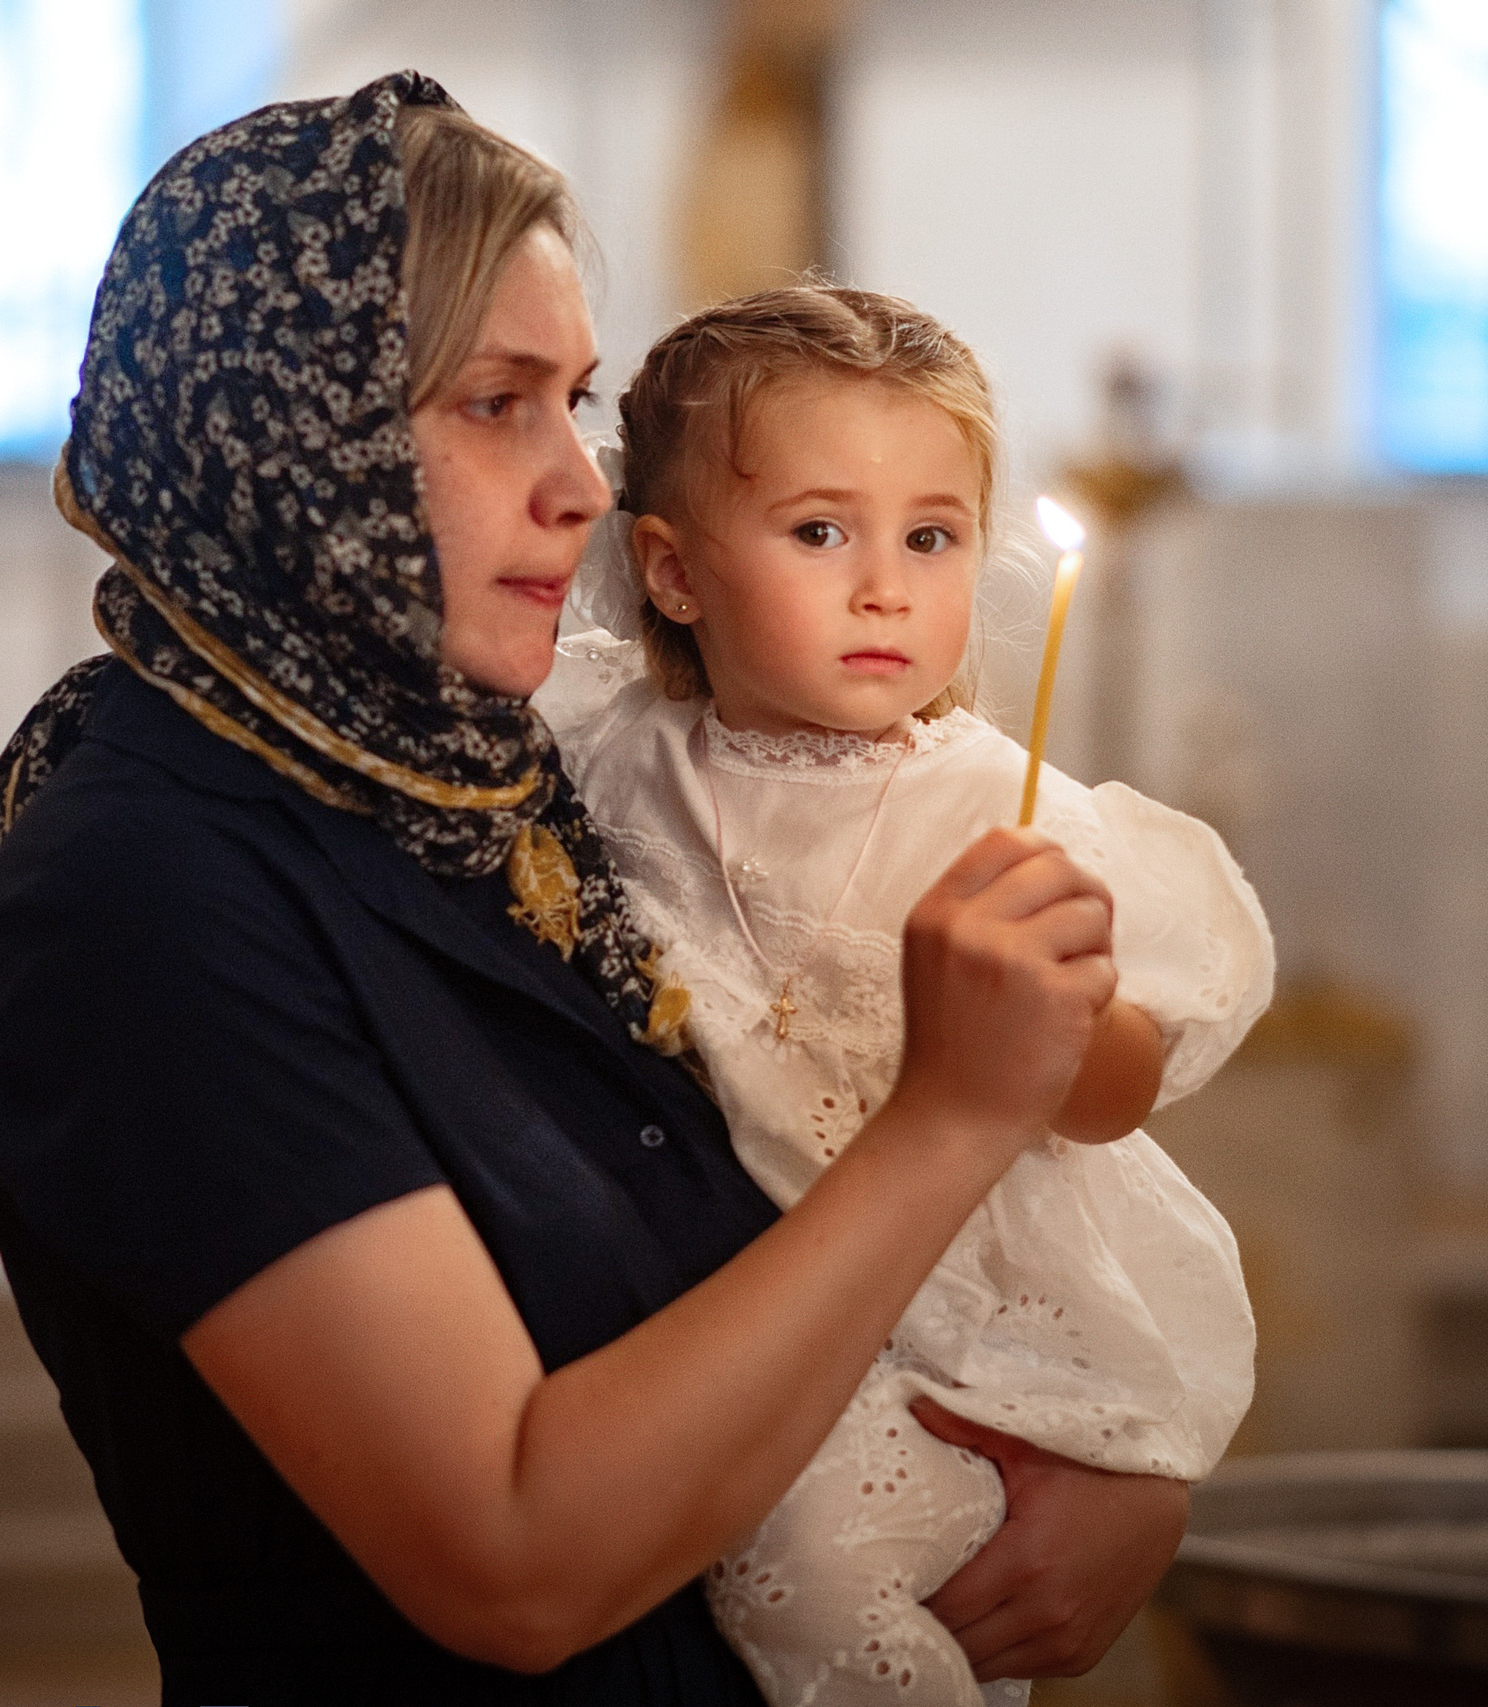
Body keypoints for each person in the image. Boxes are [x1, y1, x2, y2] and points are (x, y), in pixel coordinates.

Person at [0, 74, 1187, 1704]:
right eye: (498, 403)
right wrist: (950, 1121)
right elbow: (516, 1556)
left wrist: (1099, 1468)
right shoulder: (144, 891)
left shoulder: (477, 779)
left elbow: (749, 1237)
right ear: (297, 433)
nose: (579, 483)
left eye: (576, 399)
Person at [537, 285, 1271, 1705]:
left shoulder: (996, 808)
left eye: (932, 538)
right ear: (674, 573)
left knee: (808, 1563)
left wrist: (1058, 1019)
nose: (888, 586)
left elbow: (1118, 1100)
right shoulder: (612, 767)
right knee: (788, 1561)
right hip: (740, 1300)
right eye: (822, 533)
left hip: (967, 1304)